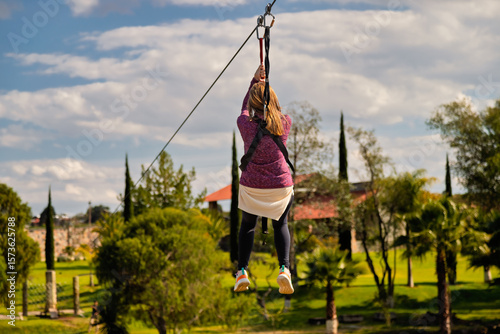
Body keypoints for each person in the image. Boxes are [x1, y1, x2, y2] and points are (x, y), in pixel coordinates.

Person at [234, 64, 294, 294]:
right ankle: (284, 268)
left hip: (252, 187)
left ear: (252, 103)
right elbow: (273, 112)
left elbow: (243, 110)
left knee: (248, 226)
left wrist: (254, 81)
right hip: (280, 186)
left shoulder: (244, 126)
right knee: (282, 224)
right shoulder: (285, 122)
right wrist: (263, 86)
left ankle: (241, 271)